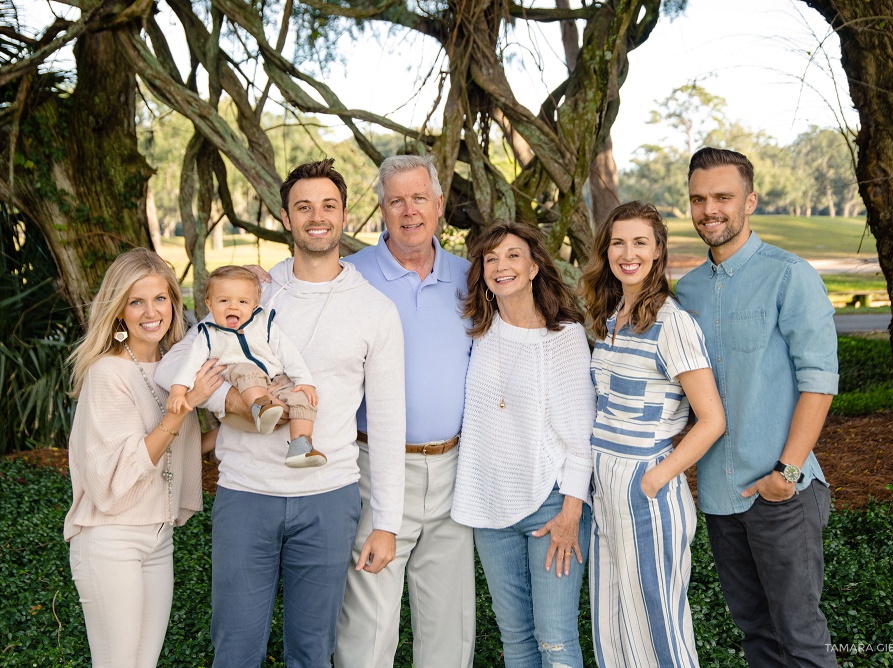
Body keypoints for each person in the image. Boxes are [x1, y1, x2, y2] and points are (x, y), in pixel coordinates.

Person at [155, 158, 406, 668]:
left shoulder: (375, 310)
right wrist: (232, 405)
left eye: (328, 206)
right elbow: (172, 370)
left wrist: (388, 522)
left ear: (344, 216)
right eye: (303, 206)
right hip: (247, 494)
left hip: (329, 499)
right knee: (236, 650)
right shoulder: (251, 292)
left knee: (312, 653)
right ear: (286, 218)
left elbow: (386, 422)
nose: (317, 216)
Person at [676, 147, 840, 667]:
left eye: (722, 197)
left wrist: (786, 473)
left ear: (749, 201)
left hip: (781, 495)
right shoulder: (687, 290)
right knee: (757, 636)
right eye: (699, 199)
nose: (710, 210)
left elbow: (819, 382)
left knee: (802, 639)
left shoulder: (790, 276)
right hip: (721, 499)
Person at [334, 154, 475, 668]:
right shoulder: (349, 277)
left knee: (449, 628)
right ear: (381, 209)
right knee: (368, 628)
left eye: (420, 198)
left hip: (455, 469)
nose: (409, 210)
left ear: (439, 204)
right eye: (397, 200)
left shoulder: (472, 279)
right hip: (376, 466)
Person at [579, 201, 726, 666]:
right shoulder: (609, 319)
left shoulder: (671, 322)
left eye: (640, 242)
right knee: (614, 630)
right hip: (604, 491)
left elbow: (712, 420)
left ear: (658, 251)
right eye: (618, 242)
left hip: (646, 490)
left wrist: (654, 479)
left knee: (658, 636)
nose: (628, 253)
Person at [63, 248, 225, 668]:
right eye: (136, 301)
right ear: (119, 312)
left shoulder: (175, 370)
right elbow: (123, 469)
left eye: (160, 299)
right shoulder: (107, 374)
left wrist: (230, 434)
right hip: (110, 538)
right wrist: (187, 406)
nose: (151, 312)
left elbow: (179, 447)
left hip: (158, 537)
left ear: (174, 302)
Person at [452, 221, 594, 668]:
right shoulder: (477, 330)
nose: (501, 265)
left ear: (534, 267)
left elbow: (580, 436)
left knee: (555, 640)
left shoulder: (564, 337)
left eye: (513, 255)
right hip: (489, 508)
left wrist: (572, 512)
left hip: (550, 505)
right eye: (490, 258)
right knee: (515, 640)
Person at [165, 264, 324, 467]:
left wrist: (304, 381)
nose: (233, 307)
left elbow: (288, 353)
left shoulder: (263, 324)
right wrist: (178, 391)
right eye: (224, 301)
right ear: (210, 305)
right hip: (238, 374)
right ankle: (262, 407)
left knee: (301, 397)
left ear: (255, 304)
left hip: (275, 377)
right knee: (247, 371)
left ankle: (300, 445)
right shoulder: (208, 335)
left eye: (242, 301)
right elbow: (189, 365)